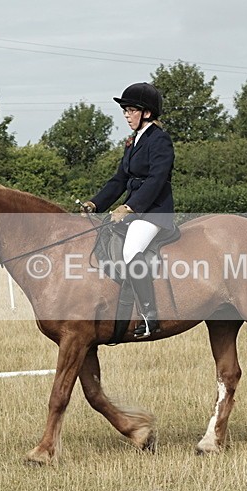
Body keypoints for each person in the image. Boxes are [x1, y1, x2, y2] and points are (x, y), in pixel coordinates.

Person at [80, 82, 174, 338]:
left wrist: (130, 207)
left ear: (146, 112)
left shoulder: (160, 140)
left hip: (154, 212)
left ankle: (149, 316)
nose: (126, 115)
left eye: (131, 110)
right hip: (136, 211)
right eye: (124, 110)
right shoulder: (134, 142)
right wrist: (95, 203)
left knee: (131, 248)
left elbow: (156, 180)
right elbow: (119, 180)